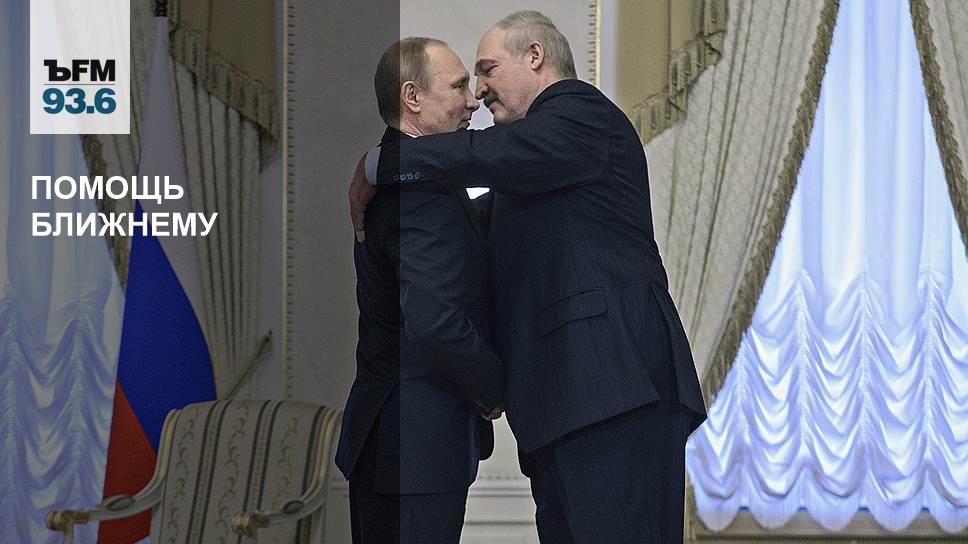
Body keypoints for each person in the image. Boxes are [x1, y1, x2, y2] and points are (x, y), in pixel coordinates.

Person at [349, 11, 708, 544]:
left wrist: (379, 165)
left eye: (487, 70)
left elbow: (482, 156)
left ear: (535, 56)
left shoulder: (580, 112)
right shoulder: (534, 162)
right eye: (467, 80)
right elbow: (463, 252)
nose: (479, 93)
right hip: (568, 407)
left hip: (614, 393)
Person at [335, 37, 503, 544]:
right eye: (457, 87)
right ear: (412, 97)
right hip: (414, 445)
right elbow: (435, 319)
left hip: (398, 443)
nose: (472, 101)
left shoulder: (397, 174)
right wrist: (493, 387)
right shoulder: (420, 191)